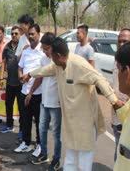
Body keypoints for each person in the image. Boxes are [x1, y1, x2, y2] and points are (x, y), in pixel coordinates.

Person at [22, 37, 123, 171]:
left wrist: (114, 101)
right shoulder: (57, 65)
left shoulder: (79, 65)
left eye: (51, 55)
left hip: (85, 123)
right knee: (70, 159)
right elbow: (45, 70)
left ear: (58, 55)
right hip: (70, 122)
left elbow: (99, 79)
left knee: (84, 161)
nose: (50, 58)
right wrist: (30, 74)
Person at [31, 32, 62, 171]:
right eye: (43, 49)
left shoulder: (59, 61)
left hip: (56, 104)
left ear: (53, 47)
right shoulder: (44, 59)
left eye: (46, 48)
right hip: (44, 101)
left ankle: (56, 160)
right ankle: (44, 153)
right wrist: (31, 92)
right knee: (42, 128)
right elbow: (40, 77)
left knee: (56, 133)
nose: (44, 51)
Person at [14, 24, 44, 156]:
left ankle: (39, 144)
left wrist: (31, 90)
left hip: (37, 93)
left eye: (33, 34)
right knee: (25, 120)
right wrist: (20, 75)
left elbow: (42, 73)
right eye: (29, 35)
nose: (31, 37)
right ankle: (26, 143)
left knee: (38, 121)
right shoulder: (26, 51)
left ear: (38, 34)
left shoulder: (43, 52)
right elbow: (19, 66)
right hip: (24, 91)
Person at [111, 28, 130, 161]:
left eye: (125, 41)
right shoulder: (117, 60)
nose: (121, 44)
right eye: (119, 41)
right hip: (118, 117)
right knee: (118, 151)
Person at [0, 26, 22, 133]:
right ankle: (9, 125)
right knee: (8, 105)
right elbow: (3, 62)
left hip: (21, 83)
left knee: (22, 108)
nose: (14, 35)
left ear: (20, 34)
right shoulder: (7, 47)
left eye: (16, 33)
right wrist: (1, 77)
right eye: (12, 33)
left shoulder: (23, 47)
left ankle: (22, 129)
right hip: (10, 82)